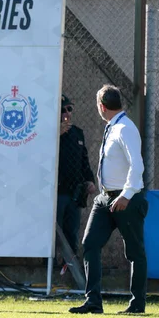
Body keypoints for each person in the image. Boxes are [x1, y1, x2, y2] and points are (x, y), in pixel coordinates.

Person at [69, 84, 148, 315]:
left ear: (102, 106)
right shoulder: (112, 126)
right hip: (105, 199)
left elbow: (138, 165)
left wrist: (126, 195)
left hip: (126, 199)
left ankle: (137, 305)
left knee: (134, 252)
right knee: (90, 244)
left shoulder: (125, 128)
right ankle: (93, 301)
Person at [57, 94, 96, 267]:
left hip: (74, 192)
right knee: (54, 233)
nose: (66, 113)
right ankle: (49, 266)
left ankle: (70, 265)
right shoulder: (48, 132)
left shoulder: (77, 133)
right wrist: (56, 134)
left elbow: (84, 161)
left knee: (72, 231)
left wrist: (89, 180)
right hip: (56, 192)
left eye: (69, 109)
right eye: (62, 110)